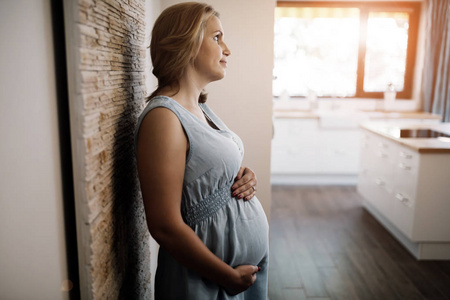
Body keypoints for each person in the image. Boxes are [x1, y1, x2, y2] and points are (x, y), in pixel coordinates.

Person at [135, 2, 269, 299]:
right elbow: (164, 225)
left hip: (230, 280)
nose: (227, 49)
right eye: (217, 37)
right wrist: (228, 276)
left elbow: (203, 174)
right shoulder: (163, 118)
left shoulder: (200, 109)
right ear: (187, 41)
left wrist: (243, 176)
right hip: (205, 282)